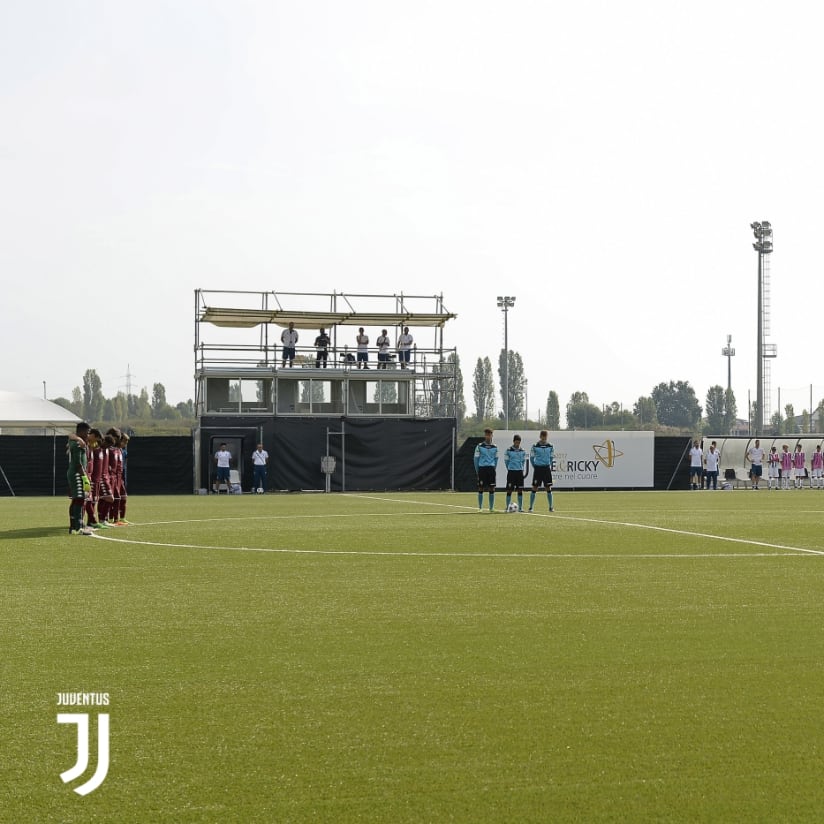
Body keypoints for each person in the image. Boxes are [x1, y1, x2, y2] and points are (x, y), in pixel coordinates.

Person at [67, 422, 93, 535]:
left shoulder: (77, 441)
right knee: (79, 499)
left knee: (77, 499)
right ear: (81, 432)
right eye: (87, 433)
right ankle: (78, 528)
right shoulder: (78, 443)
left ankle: (74, 527)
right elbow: (78, 463)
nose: (88, 435)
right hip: (77, 473)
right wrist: (85, 478)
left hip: (76, 473)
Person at [473, 427, 498, 512]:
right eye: (486, 435)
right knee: (481, 488)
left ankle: (491, 508)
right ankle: (480, 508)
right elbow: (476, 459)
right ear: (485, 435)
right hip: (482, 469)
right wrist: (477, 470)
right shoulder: (479, 446)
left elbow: (496, 459)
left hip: (491, 469)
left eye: (489, 434)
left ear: (492, 435)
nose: (488, 436)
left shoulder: (495, 447)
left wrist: (494, 468)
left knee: (492, 488)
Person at [529, 430, 555, 512]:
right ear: (540, 436)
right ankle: (531, 507)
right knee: (535, 487)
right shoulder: (535, 446)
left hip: (546, 468)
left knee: (548, 487)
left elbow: (551, 457)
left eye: (545, 436)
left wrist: (548, 464)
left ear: (547, 437)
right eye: (542, 436)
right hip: (538, 469)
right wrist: (535, 466)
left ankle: (551, 507)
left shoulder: (550, 446)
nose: (544, 438)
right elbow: (532, 457)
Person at [504, 434, 529, 512]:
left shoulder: (523, 451)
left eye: (518, 442)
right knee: (509, 490)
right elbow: (506, 461)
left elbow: (523, 461)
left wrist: (520, 468)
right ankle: (507, 508)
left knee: (520, 490)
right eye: (516, 442)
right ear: (513, 441)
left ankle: (521, 508)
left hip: (519, 472)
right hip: (511, 472)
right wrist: (510, 468)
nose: (517, 444)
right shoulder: (508, 450)